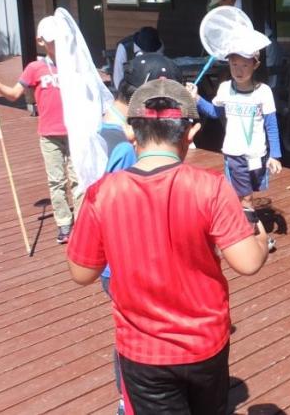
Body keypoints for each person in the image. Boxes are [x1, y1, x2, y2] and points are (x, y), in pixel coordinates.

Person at [67, 79, 269, 414]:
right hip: (205, 344)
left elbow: (82, 272)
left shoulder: (103, 192)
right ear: (191, 134)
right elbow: (247, 262)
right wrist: (260, 238)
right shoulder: (212, 187)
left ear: (132, 133)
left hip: (142, 351)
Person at [99, 52, 184, 415]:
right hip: (128, 260)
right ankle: (129, 402)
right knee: (137, 337)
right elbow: (120, 203)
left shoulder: (112, 126)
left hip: (126, 258)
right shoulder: (123, 147)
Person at [0, 16, 78, 244]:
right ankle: (65, 224)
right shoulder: (35, 67)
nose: (57, 44)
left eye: (60, 39)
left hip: (74, 131)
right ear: (40, 41)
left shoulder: (74, 64)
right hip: (49, 133)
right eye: (52, 40)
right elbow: (14, 94)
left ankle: (82, 223)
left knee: (78, 180)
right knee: (57, 181)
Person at [194, 32, 282, 245]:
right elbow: (215, 113)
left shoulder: (264, 92)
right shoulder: (225, 89)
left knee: (243, 194)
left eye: (244, 65)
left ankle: (236, 225)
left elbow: (271, 124)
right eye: (234, 65)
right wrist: (196, 98)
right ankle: (249, 235)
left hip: (258, 154)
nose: (239, 70)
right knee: (246, 197)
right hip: (234, 152)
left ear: (255, 64)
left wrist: (275, 155)